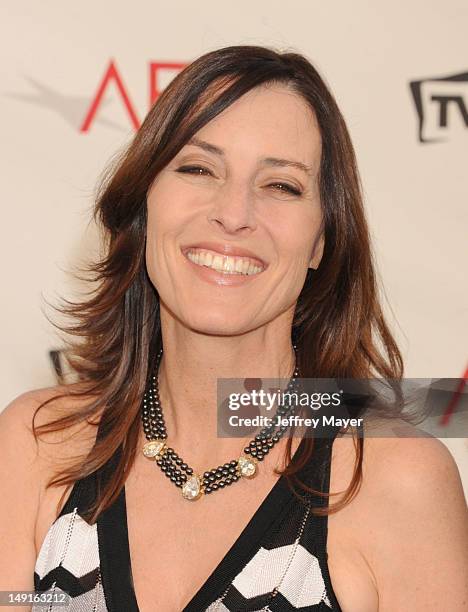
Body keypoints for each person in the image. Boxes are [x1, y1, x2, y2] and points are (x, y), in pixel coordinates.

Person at [1, 45, 467, 612]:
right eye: (199, 169)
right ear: (145, 206)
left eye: (281, 186)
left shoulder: (396, 481)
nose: (234, 212)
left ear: (322, 240)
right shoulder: (39, 443)